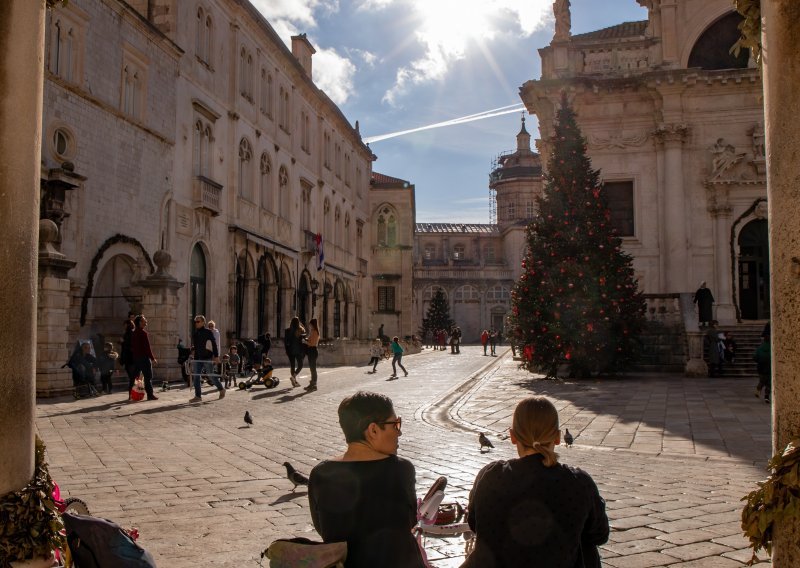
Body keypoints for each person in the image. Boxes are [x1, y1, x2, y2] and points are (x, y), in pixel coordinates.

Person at [462, 397, 609, 568]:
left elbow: (474, 524)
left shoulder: (490, 476)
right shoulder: (579, 483)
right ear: (557, 437)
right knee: (586, 543)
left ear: (512, 436)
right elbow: (600, 534)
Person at [308, 391, 425, 568]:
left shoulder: (320, 474)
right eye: (395, 424)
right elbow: (409, 521)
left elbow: (323, 529)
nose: (399, 433)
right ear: (373, 430)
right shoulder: (401, 470)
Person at [190, 314, 224, 402]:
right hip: (198, 358)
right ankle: (198, 396)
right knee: (196, 376)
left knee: (210, 375)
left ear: (203, 322)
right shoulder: (195, 333)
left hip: (207, 357)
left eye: (198, 321)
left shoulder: (208, 332)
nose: (196, 323)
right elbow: (195, 346)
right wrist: (192, 351)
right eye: (195, 322)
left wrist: (216, 356)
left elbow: (214, 345)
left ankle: (221, 389)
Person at [131, 315, 158, 401]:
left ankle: (131, 394)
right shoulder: (143, 333)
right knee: (148, 377)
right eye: (144, 320)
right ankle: (150, 395)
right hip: (144, 358)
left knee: (135, 376)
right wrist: (153, 358)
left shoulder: (134, 332)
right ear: (139, 322)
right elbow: (147, 348)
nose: (146, 321)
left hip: (136, 358)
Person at [284, 316, 306, 387]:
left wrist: (286, 350)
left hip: (290, 350)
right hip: (298, 350)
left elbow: (285, 342)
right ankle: (294, 377)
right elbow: (303, 341)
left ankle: (294, 381)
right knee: (300, 365)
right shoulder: (301, 330)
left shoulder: (287, 330)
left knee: (292, 365)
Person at [120, 317, 138, 399]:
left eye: (125, 325)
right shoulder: (129, 333)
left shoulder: (130, 333)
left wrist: (123, 343)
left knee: (132, 377)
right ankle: (132, 394)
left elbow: (130, 346)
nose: (123, 326)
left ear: (128, 325)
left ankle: (132, 394)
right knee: (132, 377)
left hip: (130, 358)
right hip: (130, 358)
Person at [753, 333, 771, 404]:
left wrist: (759, 361)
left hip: (761, 367)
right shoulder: (772, 347)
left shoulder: (760, 348)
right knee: (769, 382)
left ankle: (758, 390)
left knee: (762, 380)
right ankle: (767, 396)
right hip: (770, 367)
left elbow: (755, 357)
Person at [305, 318, 320, 392]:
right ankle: (312, 383)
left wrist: (305, 342)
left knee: (313, 369)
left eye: (310, 325)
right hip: (311, 351)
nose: (310, 326)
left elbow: (312, 343)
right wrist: (306, 339)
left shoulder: (315, 332)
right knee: (311, 368)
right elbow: (310, 341)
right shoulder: (312, 331)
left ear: (313, 325)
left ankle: (314, 384)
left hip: (313, 351)